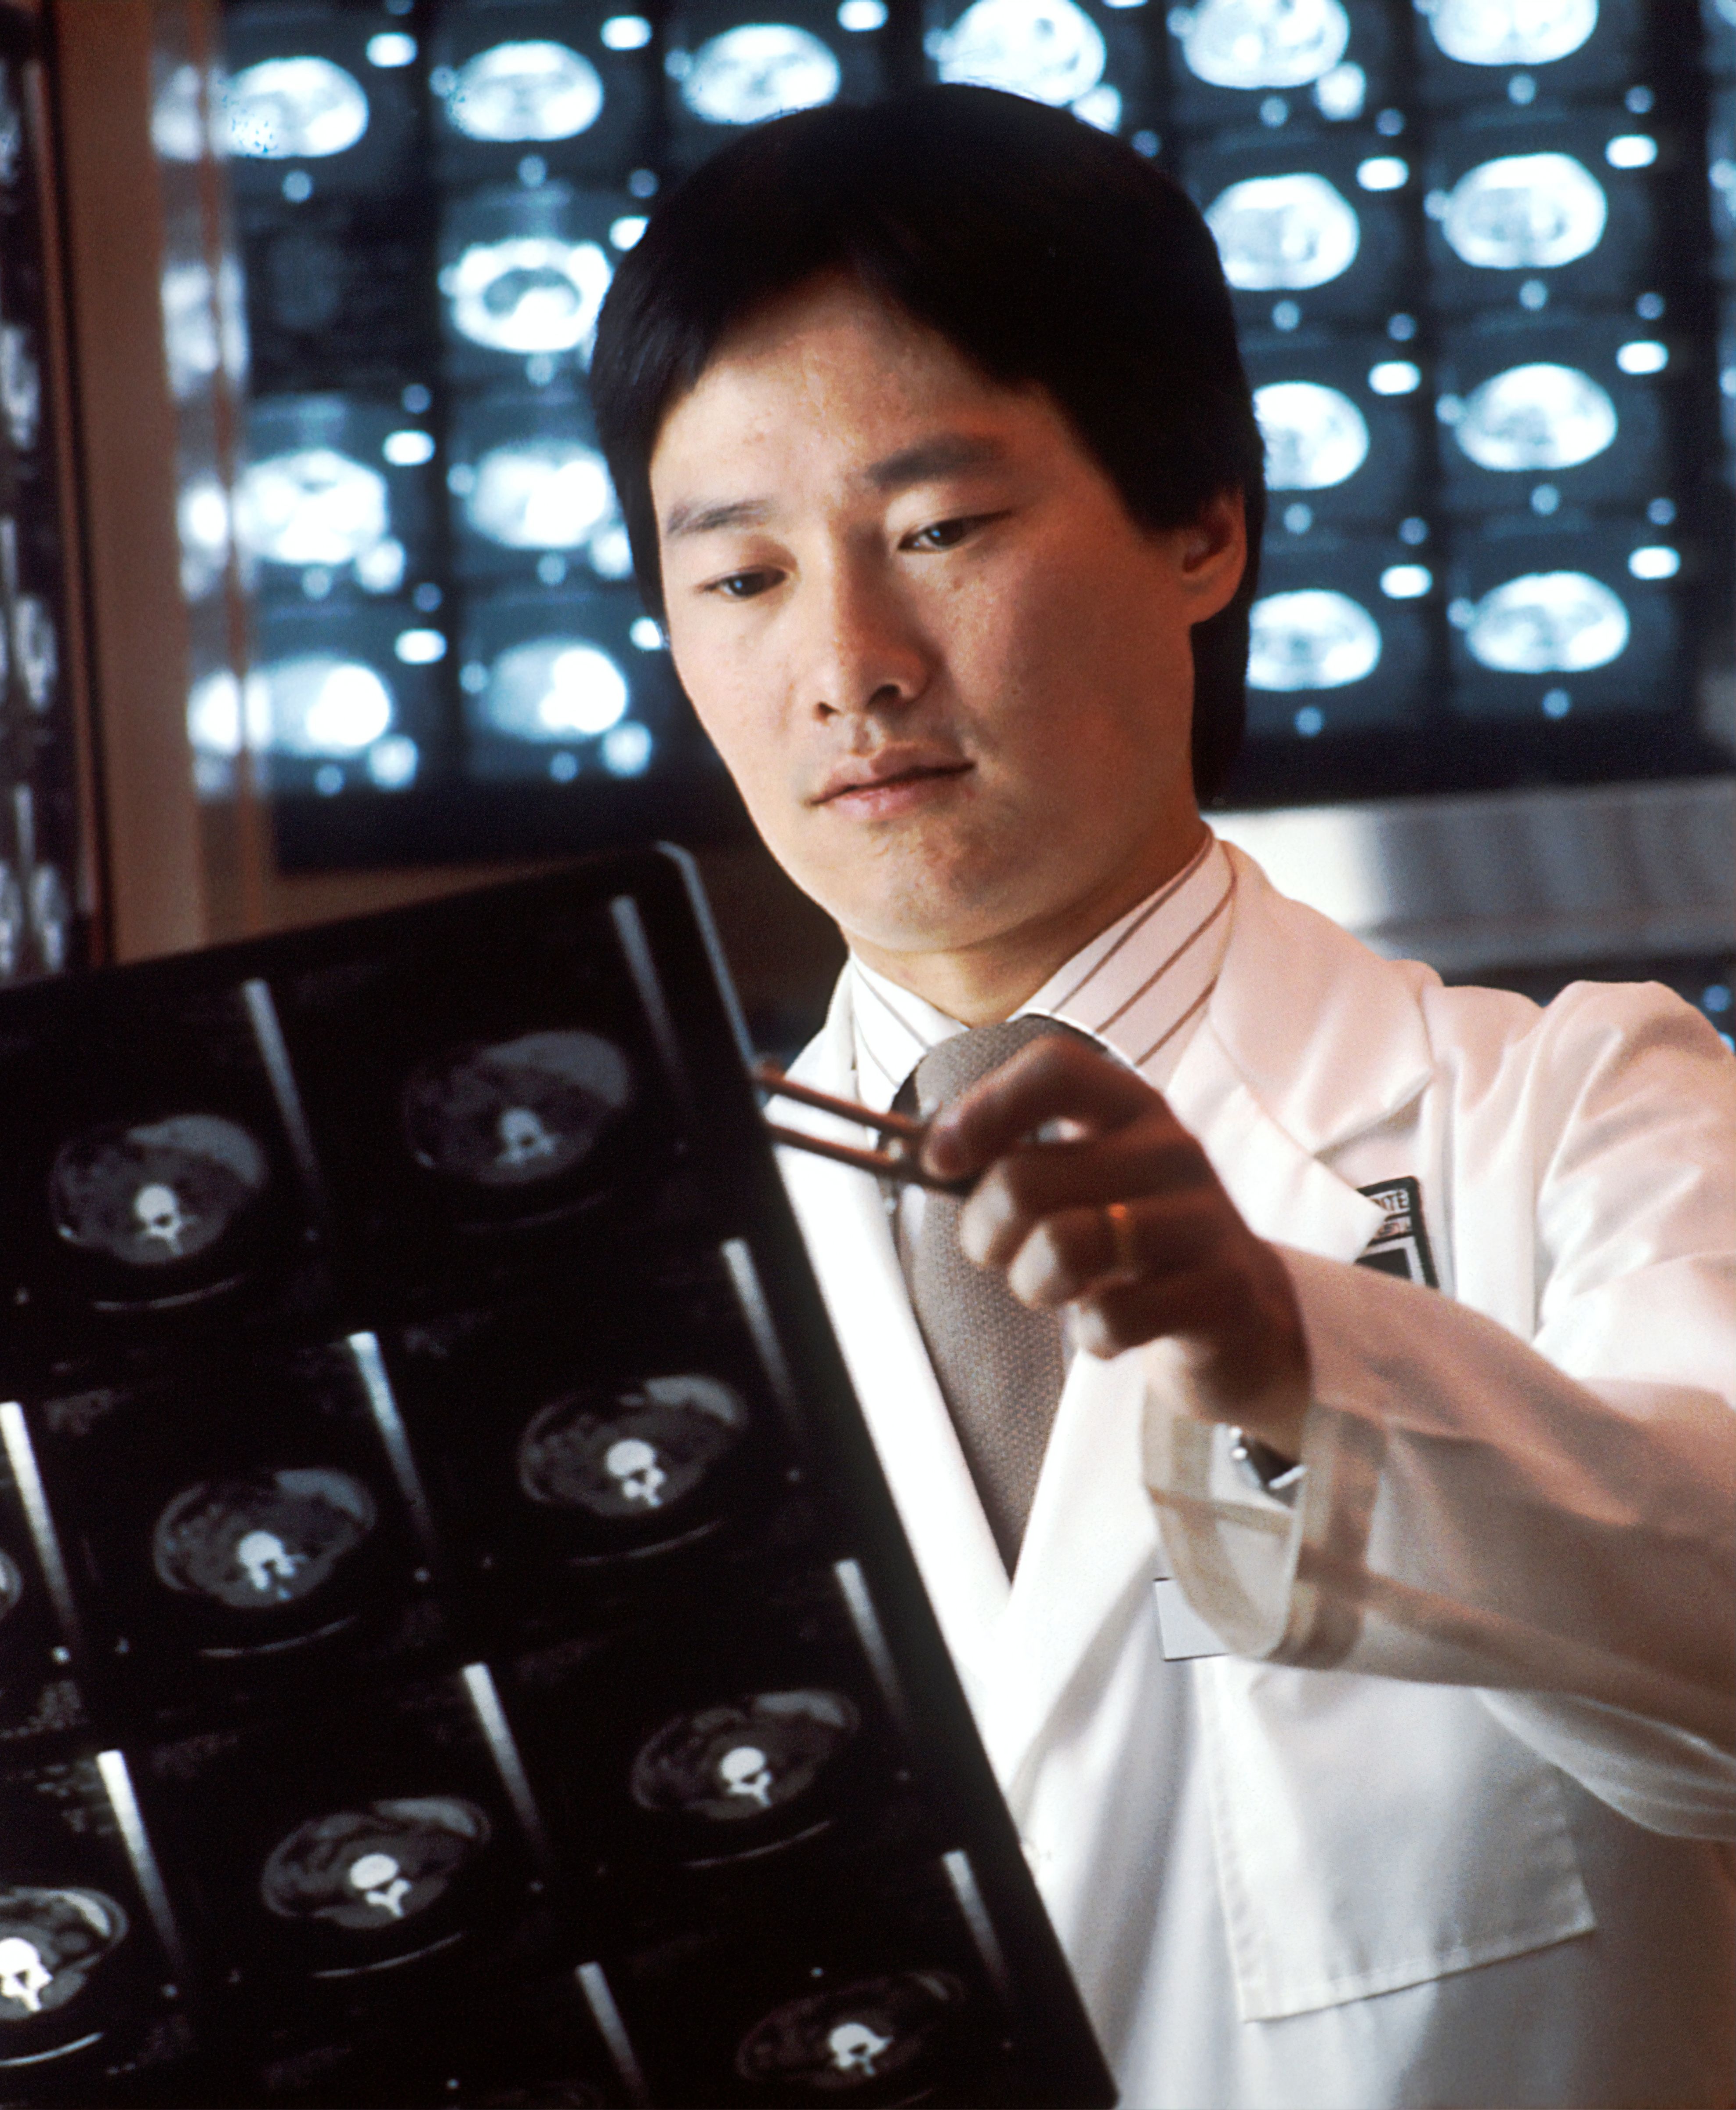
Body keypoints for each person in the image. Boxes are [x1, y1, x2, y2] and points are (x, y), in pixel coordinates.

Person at [590, 86, 1736, 2108]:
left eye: (936, 530)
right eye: (743, 579)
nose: (848, 664)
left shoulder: (1574, 1117)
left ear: (1202, 522)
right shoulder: (644, 1286)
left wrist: (1287, 1348)